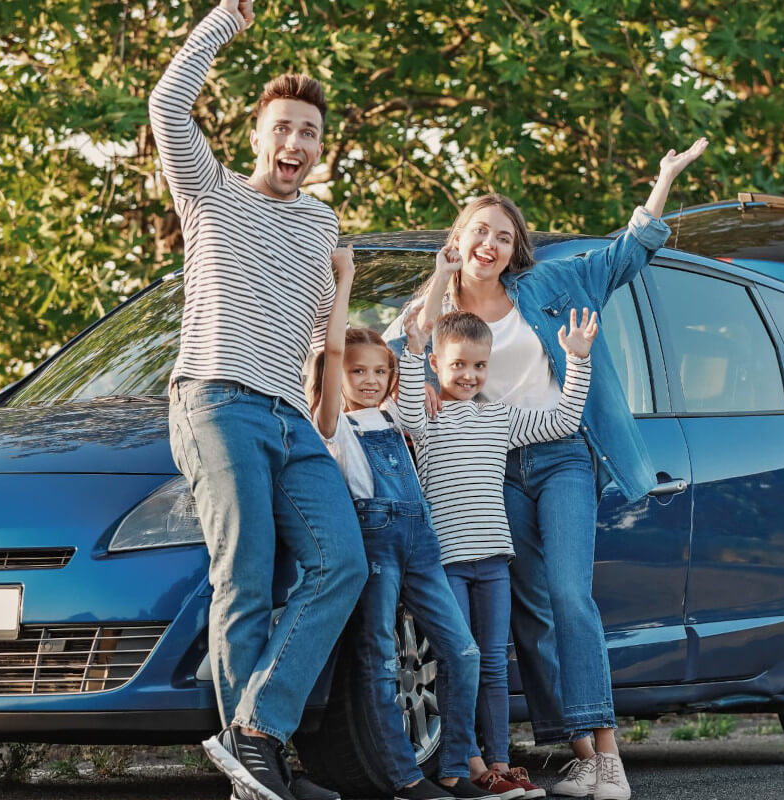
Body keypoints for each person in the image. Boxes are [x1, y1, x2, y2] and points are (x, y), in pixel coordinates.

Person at [400, 138, 708, 800]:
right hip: (491, 475)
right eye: (479, 231)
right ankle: (581, 756)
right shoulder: (435, 317)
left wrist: (662, 182)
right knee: (531, 614)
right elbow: (404, 357)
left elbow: (625, 258)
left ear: (515, 251)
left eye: (504, 237)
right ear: (458, 238)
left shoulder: (545, 285)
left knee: (570, 596)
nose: (491, 244)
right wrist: (435, 281)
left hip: (561, 456)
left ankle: (608, 759)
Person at [149, 1, 367, 798]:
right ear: (257, 136)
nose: (295, 144)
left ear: (318, 149)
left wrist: (343, 299)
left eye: (308, 133)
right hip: (216, 399)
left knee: (343, 561)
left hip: (290, 415)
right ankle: (260, 771)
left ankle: (255, 735)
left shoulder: (320, 223)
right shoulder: (208, 194)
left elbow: (317, 330)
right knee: (243, 569)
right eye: (282, 128)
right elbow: (167, 105)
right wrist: (221, 22)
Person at [306, 248, 495, 800]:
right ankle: (404, 778)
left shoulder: (397, 411)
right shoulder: (330, 423)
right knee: (379, 659)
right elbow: (332, 344)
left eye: (378, 372)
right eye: (356, 372)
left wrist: (441, 274)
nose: (368, 380)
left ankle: (456, 766)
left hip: (422, 539)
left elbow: (418, 334)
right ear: (335, 374)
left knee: (463, 652)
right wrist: (343, 280)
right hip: (376, 543)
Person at [399, 280, 601, 799]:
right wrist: (415, 349)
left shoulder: (500, 418)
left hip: (493, 562)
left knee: (492, 661)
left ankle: (500, 763)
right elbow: (401, 408)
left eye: (479, 366)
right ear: (439, 367)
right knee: (457, 659)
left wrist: (575, 362)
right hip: (446, 561)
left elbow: (563, 420)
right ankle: (462, 761)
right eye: (458, 365)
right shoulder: (427, 415)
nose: (468, 375)